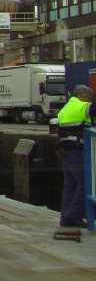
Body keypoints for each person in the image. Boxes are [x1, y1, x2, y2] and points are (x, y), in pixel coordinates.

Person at [55, 84, 92, 230]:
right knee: (84, 184)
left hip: (65, 150)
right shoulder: (83, 106)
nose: (89, 99)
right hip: (77, 150)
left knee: (70, 185)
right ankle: (74, 216)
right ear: (82, 95)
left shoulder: (65, 109)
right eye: (89, 96)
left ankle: (66, 218)